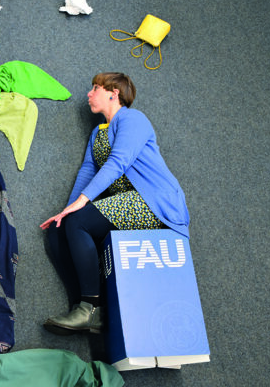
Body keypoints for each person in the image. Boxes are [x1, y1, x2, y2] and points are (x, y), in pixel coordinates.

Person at [39, 72, 189, 336]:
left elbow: (118, 161)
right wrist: (68, 209)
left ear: (114, 92)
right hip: (123, 205)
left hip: (154, 202)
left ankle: (91, 307)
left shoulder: (133, 119)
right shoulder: (98, 132)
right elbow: (88, 171)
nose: (88, 93)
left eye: (95, 87)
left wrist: (82, 206)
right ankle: (85, 308)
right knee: (59, 230)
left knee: (79, 222)